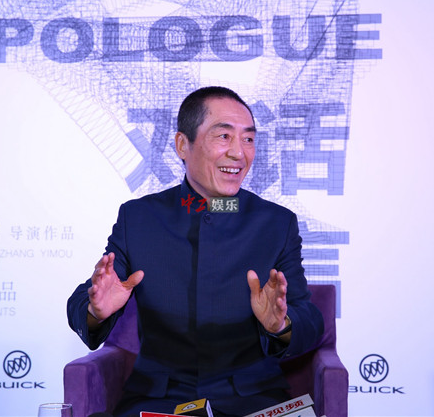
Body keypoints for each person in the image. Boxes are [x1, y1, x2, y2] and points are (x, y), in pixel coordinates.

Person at [67, 86, 324, 417]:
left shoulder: (276, 223)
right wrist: (96, 310)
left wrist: (281, 325)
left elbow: (309, 319)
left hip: (252, 400)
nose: (239, 153)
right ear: (182, 145)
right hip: (160, 400)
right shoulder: (139, 217)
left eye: (248, 139)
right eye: (224, 137)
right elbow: (83, 302)